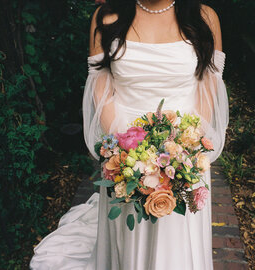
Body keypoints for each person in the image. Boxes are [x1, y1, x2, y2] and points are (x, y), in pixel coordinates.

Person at [30, 0, 228, 269]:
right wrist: (127, 154)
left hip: (184, 150)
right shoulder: (107, 17)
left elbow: (208, 85)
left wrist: (185, 146)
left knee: (177, 239)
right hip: (126, 148)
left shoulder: (205, 17)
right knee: (129, 236)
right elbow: (101, 87)